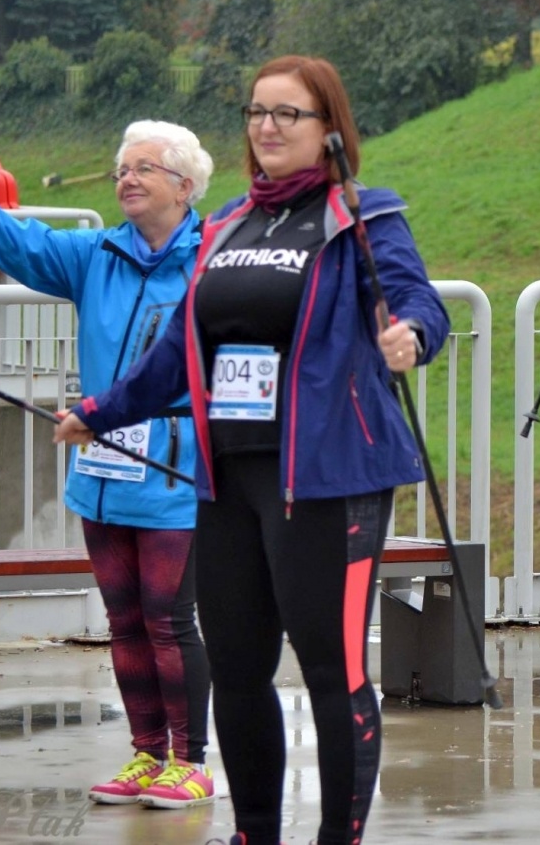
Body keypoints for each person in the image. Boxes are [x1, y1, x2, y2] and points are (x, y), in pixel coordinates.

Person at [53, 56, 449, 845]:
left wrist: (412, 339)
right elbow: (178, 350)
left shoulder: (360, 216)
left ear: (329, 129)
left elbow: (415, 301)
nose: (267, 127)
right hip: (227, 478)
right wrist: (102, 411)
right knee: (236, 669)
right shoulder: (227, 225)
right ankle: (254, 832)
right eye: (256, 112)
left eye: (287, 114)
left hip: (329, 479)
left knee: (334, 673)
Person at [0, 122, 216, 809]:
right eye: (120, 168)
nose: (125, 178)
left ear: (185, 186)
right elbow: (20, 240)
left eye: (143, 168)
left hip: (177, 471)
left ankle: (191, 760)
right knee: (125, 620)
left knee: (169, 619)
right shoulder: (94, 253)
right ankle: (146, 754)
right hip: (101, 470)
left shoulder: (215, 261)